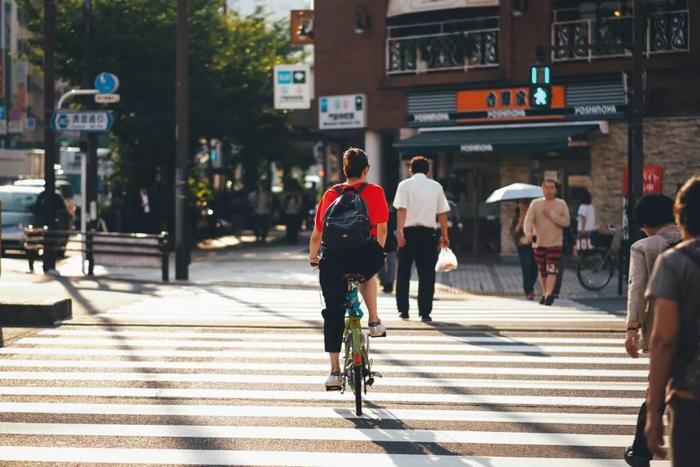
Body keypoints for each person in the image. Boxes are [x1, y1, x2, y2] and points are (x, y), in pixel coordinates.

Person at [308, 148, 388, 390]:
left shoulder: (330, 194)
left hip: (333, 260)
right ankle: (374, 322)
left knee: (332, 312)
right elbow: (382, 230)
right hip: (363, 255)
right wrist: (376, 252)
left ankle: (334, 372)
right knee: (368, 275)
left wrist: (314, 257)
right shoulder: (375, 192)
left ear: (344, 171)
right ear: (365, 170)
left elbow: (316, 235)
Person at [645, 176, 700, 467]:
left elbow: (663, 339)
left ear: (680, 216)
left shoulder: (673, 262)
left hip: (690, 396)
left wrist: (653, 411)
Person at [623, 194, 680, 467]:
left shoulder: (644, 247)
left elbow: (637, 290)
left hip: (663, 329)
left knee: (655, 387)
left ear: (645, 222)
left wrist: (632, 327)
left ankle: (641, 452)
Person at [393, 156, 450, 322]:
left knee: (403, 272)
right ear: (428, 170)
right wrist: (445, 235)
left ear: (411, 169)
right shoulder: (436, 186)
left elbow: (401, 210)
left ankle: (403, 310)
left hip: (408, 233)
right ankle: (425, 312)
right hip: (428, 235)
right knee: (427, 274)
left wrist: (400, 231)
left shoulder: (404, 185)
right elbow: (442, 213)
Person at [524, 179, 570, 306]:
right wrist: (528, 233)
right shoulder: (535, 203)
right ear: (542, 189)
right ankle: (545, 293)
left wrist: (552, 214)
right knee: (542, 271)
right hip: (539, 242)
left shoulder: (561, 204)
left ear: (556, 189)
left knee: (552, 269)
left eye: (552, 187)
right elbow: (528, 220)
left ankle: (550, 294)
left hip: (555, 242)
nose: (549, 190)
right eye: (546, 187)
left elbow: (566, 222)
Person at [511, 199, 537, 300]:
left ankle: (530, 286)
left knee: (534, 268)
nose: (522, 206)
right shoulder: (517, 217)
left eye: (525, 204)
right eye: (520, 204)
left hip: (533, 244)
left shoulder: (533, 216)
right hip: (522, 245)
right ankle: (529, 290)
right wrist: (520, 223)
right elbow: (513, 232)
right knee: (526, 265)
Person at [379, 206, 398, 293]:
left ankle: (385, 282)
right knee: (392, 263)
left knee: (380, 263)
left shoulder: (380, 210)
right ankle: (389, 283)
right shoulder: (395, 213)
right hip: (391, 240)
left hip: (381, 239)